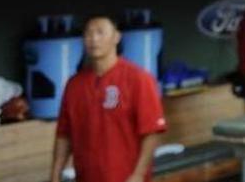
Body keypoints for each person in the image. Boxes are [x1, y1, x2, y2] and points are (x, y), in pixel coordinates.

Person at [51, 16, 167, 182]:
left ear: (116, 37)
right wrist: (55, 176)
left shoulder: (138, 78)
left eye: (100, 32)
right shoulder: (74, 85)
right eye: (88, 34)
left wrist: (138, 175)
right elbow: (64, 135)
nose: (93, 39)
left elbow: (152, 132)